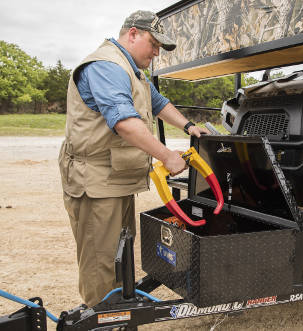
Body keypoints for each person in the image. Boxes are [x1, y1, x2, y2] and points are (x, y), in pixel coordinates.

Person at [58, 10, 209, 307]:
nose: (155, 53)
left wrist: (190, 127)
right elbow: (125, 122)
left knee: (119, 252)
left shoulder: (133, 71)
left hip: (116, 179)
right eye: (153, 44)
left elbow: (158, 103)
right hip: (95, 181)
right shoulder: (107, 66)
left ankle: (119, 310)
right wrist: (166, 155)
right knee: (100, 259)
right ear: (132, 34)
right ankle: (101, 317)